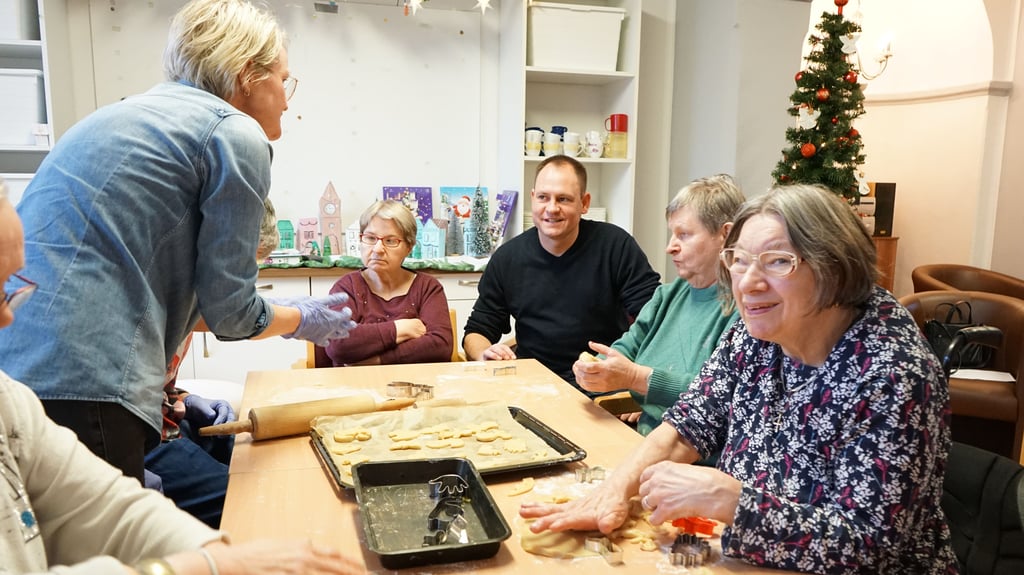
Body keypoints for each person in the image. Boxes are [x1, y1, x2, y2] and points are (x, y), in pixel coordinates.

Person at [0, 0, 355, 486]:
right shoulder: (233, 132)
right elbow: (232, 314)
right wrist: (301, 320)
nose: (287, 102)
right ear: (247, 74)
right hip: (86, 380)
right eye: (283, 80)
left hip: (20, 369)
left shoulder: (125, 116)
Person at [521, 185, 959, 573]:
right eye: (739, 260)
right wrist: (613, 492)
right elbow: (687, 425)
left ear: (836, 269)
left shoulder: (894, 373)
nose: (748, 283)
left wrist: (732, 501)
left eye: (778, 262)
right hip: (751, 558)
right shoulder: (756, 333)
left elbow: (871, 546)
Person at [0, 180, 362, 575]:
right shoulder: (126, 304)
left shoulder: (10, 403)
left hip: (163, 418)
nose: (10, 317)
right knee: (242, 497)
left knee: (245, 468)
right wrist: (202, 563)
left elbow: (108, 505)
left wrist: (182, 399)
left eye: (10, 290)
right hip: (148, 430)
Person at [462, 155, 660, 391]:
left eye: (563, 199)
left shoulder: (616, 246)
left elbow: (655, 319)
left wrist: (634, 374)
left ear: (584, 203)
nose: (552, 208)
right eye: (543, 197)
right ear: (533, 198)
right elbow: (477, 331)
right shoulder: (507, 258)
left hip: (601, 383)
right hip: (530, 383)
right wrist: (484, 354)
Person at [142, 197, 282, 528]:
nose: (247, 280)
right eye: (245, 265)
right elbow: (119, 400)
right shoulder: (153, 298)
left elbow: (156, 382)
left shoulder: (188, 299)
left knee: (248, 457)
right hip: (142, 439)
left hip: (164, 420)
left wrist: (185, 399)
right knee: (251, 502)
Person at [572, 175, 742, 435]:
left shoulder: (744, 311)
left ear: (725, 235)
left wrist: (635, 378)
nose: (670, 247)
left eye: (684, 235)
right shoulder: (667, 296)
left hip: (696, 453)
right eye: (672, 234)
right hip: (647, 440)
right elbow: (626, 348)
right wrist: (596, 368)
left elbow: (717, 396)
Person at [316, 200, 453, 366]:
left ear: (409, 247)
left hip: (414, 381)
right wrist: (399, 329)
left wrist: (376, 360)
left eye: (390, 241)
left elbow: (440, 346)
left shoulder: (427, 288)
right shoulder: (346, 288)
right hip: (354, 381)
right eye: (370, 238)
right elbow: (338, 344)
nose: (377, 249)